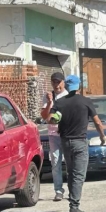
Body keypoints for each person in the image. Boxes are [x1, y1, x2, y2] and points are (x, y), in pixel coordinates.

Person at [51, 75, 106, 212]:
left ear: (66, 86)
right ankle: (74, 207)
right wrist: (102, 136)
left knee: (71, 172)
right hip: (80, 142)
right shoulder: (86, 101)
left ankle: (73, 204)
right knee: (78, 175)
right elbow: (98, 122)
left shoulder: (60, 102)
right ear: (79, 86)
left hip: (65, 142)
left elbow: (52, 119)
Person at [40, 72, 69, 202]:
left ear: (63, 82)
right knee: (55, 163)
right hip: (53, 135)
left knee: (70, 163)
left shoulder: (68, 96)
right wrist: (50, 101)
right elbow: (44, 116)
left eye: (58, 82)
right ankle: (58, 191)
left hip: (67, 134)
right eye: (54, 82)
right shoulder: (48, 97)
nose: (56, 85)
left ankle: (73, 188)